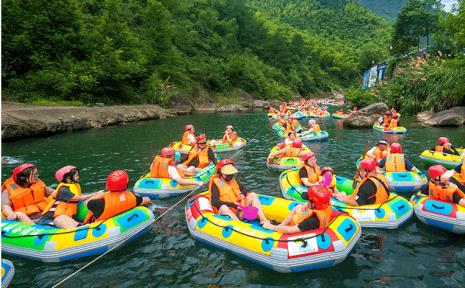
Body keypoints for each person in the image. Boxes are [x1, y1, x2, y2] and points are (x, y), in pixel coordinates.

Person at [37, 166, 104, 229]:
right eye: (76, 175)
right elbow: (79, 198)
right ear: (68, 179)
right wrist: (96, 193)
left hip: (65, 216)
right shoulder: (64, 190)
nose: (78, 177)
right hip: (49, 219)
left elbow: (82, 197)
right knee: (60, 221)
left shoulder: (73, 186)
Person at [208, 159, 269, 224]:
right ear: (221, 173)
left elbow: (244, 189)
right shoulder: (216, 184)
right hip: (228, 212)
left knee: (252, 195)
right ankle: (240, 226)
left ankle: (263, 220)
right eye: (228, 174)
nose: (230, 176)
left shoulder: (232, 180)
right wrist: (233, 205)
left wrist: (242, 194)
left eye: (231, 174)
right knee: (223, 207)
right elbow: (214, 202)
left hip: (239, 211)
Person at [84, 170, 152, 223]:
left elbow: (86, 202)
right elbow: (147, 200)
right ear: (126, 185)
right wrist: (152, 206)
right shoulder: (133, 197)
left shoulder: (98, 203)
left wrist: (103, 194)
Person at [262, 185, 332, 233]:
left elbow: (291, 230)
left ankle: (278, 227)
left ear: (314, 203)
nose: (307, 201)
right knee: (298, 207)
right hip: (313, 220)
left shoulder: (311, 221)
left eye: (308, 200)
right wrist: (307, 204)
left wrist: (273, 227)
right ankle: (282, 225)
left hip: (303, 231)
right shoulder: (325, 206)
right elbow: (315, 206)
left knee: (288, 228)